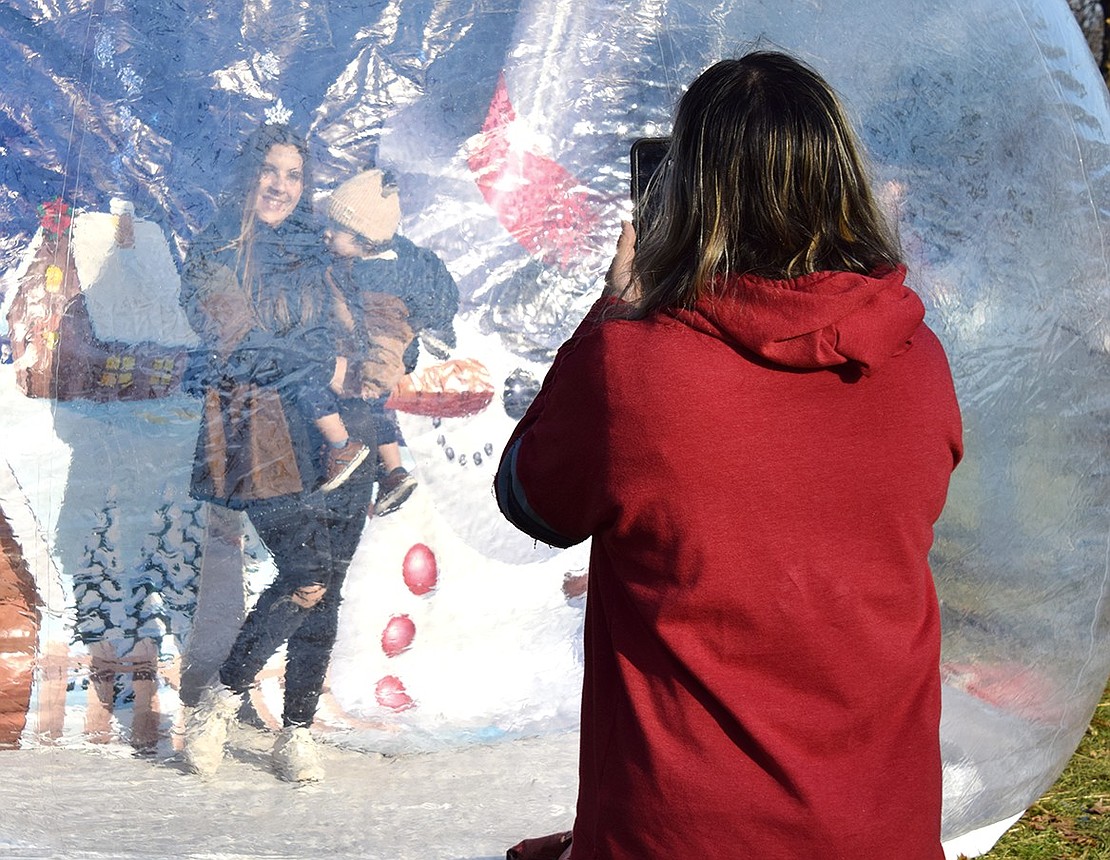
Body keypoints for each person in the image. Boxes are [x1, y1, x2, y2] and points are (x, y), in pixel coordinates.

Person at [495, 51, 963, 859]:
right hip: (881, 830)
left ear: (687, 191)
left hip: (679, 835)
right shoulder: (917, 358)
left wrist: (616, 309)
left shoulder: (638, 366)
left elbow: (530, 498)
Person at [179, 123, 378, 782]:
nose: (280, 185)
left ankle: (295, 731)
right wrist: (314, 366)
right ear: (248, 172)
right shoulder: (213, 249)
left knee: (328, 592)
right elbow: (235, 341)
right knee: (307, 576)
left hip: (342, 438)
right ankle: (221, 701)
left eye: (293, 175)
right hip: (258, 430)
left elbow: (343, 336)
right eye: (269, 169)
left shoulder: (315, 251)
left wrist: (347, 371)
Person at [322, 167, 459, 516]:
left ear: (364, 241)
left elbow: (387, 337)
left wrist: (375, 378)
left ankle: (386, 471)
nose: (326, 233)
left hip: (381, 360)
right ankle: (393, 473)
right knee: (380, 415)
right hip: (379, 355)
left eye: (336, 229)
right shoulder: (385, 257)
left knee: (372, 407)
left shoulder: (376, 279)